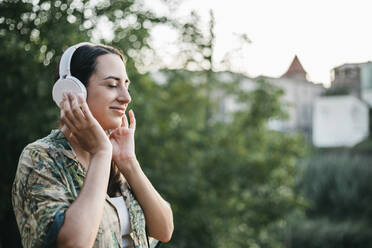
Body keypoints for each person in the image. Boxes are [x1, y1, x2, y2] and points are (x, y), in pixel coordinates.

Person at [12, 43, 174, 248]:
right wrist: (101, 153)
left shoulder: (117, 161)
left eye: (126, 84)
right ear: (72, 90)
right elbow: (74, 243)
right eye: (112, 85)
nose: (126, 97)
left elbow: (164, 230)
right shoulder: (40, 157)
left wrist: (128, 162)